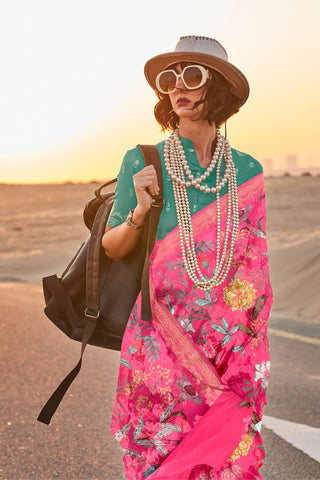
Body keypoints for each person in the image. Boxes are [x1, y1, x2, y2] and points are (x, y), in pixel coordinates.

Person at [102, 36, 273, 480]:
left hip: (224, 342)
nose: (178, 87)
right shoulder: (143, 161)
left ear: (214, 88)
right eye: (169, 78)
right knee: (159, 450)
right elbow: (112, 245)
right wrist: (140, 210)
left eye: (191, 76)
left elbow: (254, 266)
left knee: (225, 452)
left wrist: (245, 344)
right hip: (159, 334)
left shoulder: (248, 171)